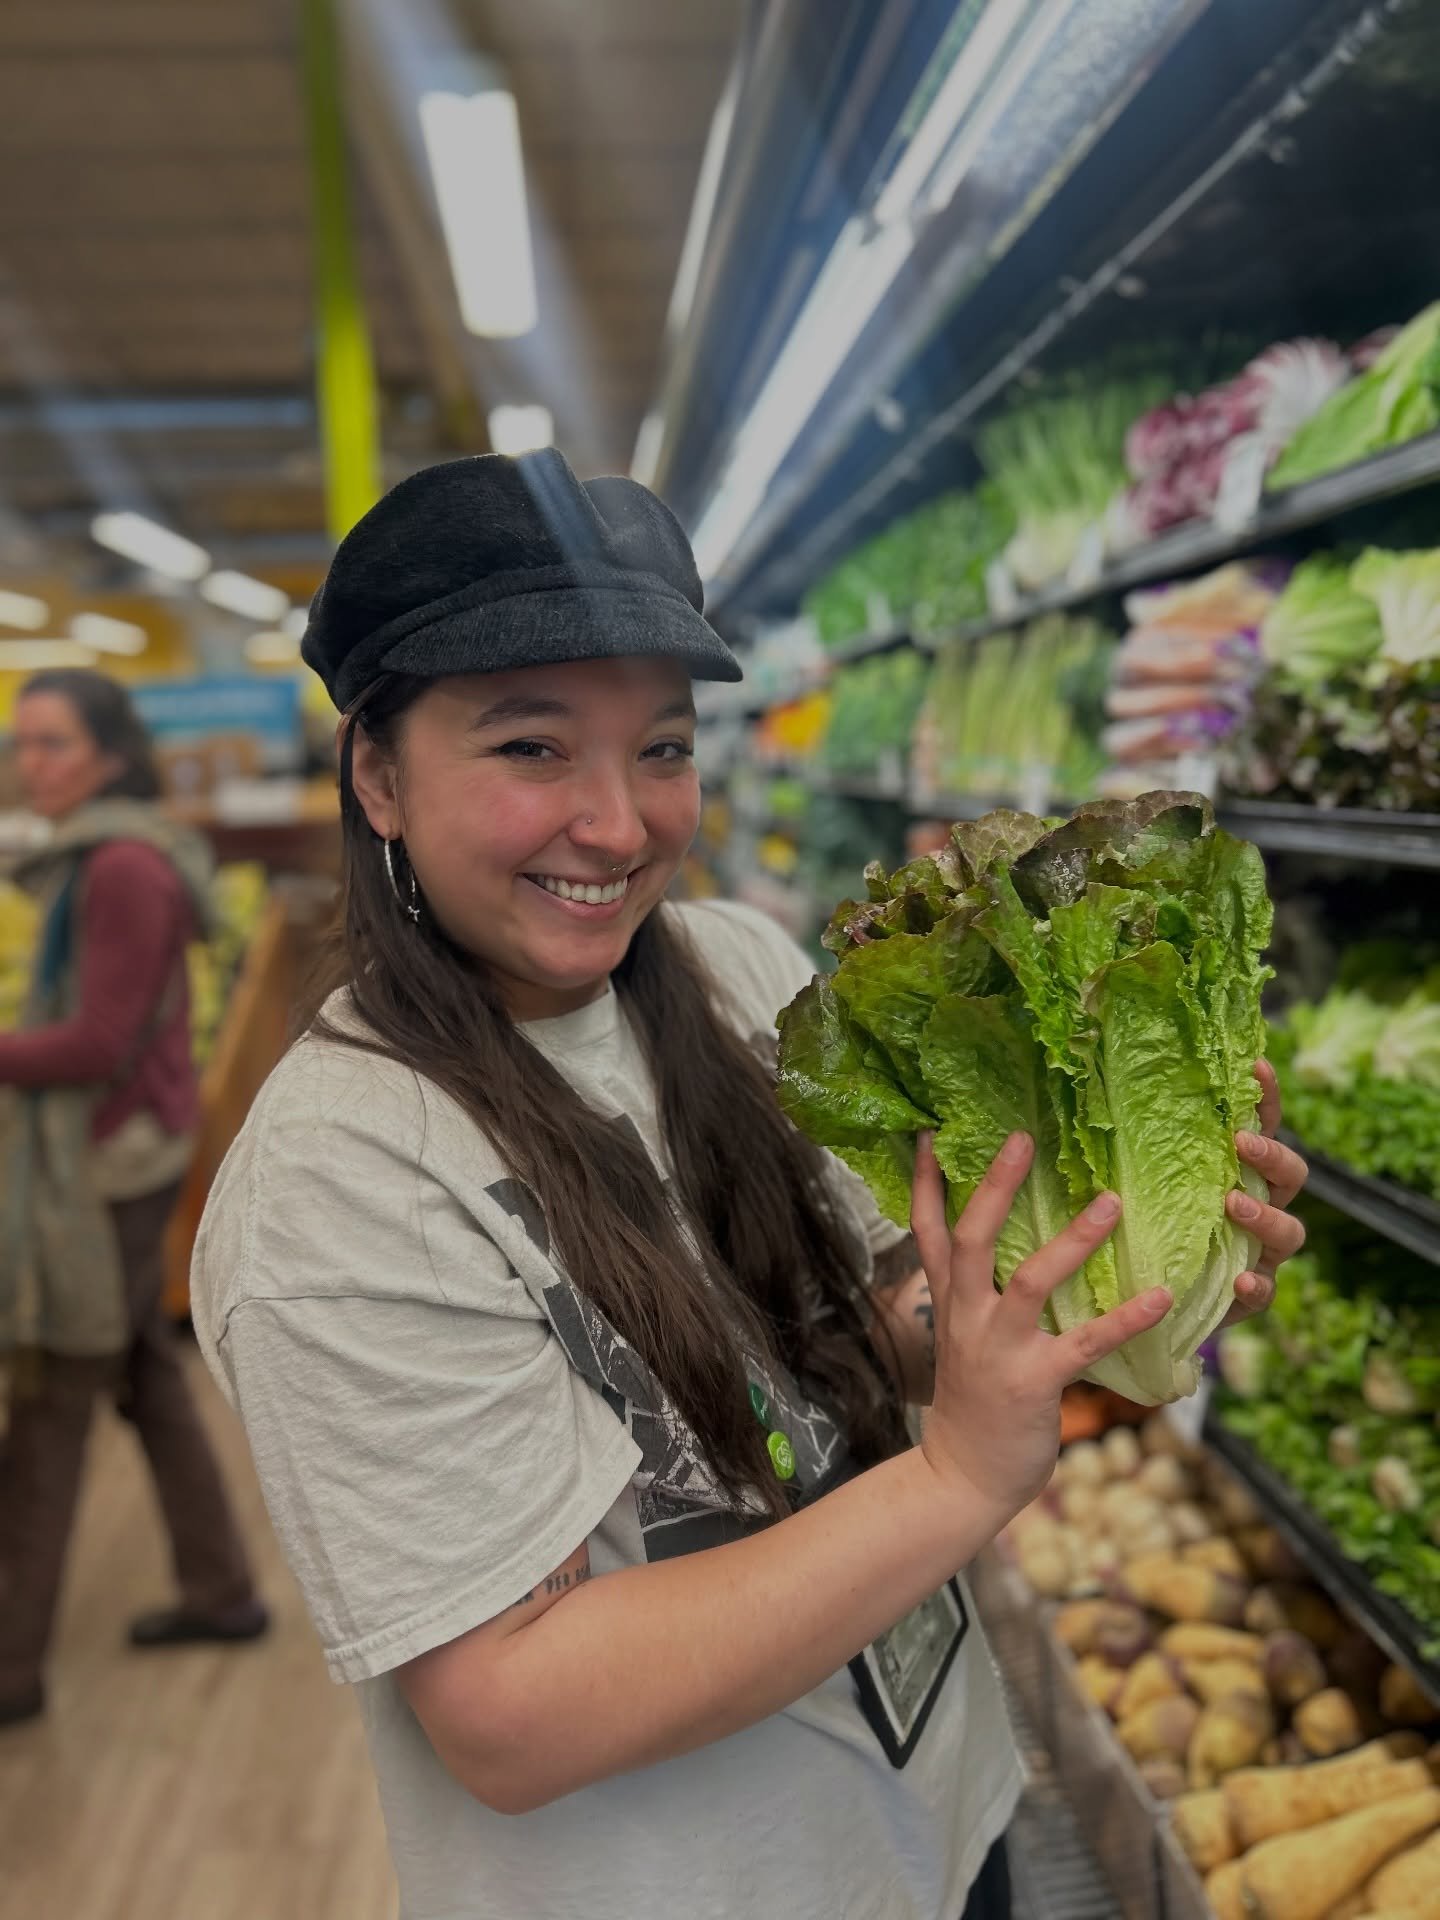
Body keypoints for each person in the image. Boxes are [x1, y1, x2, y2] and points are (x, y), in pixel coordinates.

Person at [189, 451, 1306, 1920]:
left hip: (940, 1824)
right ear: (379, 774)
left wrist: (1080, 1280)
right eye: (531, 748)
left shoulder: (741, 972)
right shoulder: (336, 1187)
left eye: (662, 747)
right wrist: (964, 1471)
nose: (619, 822)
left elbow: (868, 1319)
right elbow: (514, 1715)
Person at [0, 670, 267, 1731]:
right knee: (143, 1378)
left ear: (110, 754)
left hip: (106, 1165)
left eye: (54, 744)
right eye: (23, 745)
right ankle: (222, 1590)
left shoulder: (120, 868)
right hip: (133, 1150)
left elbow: (96, 1042)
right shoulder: (102, 855)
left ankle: (10, 1661)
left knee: (53, 1403)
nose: (33, 764)